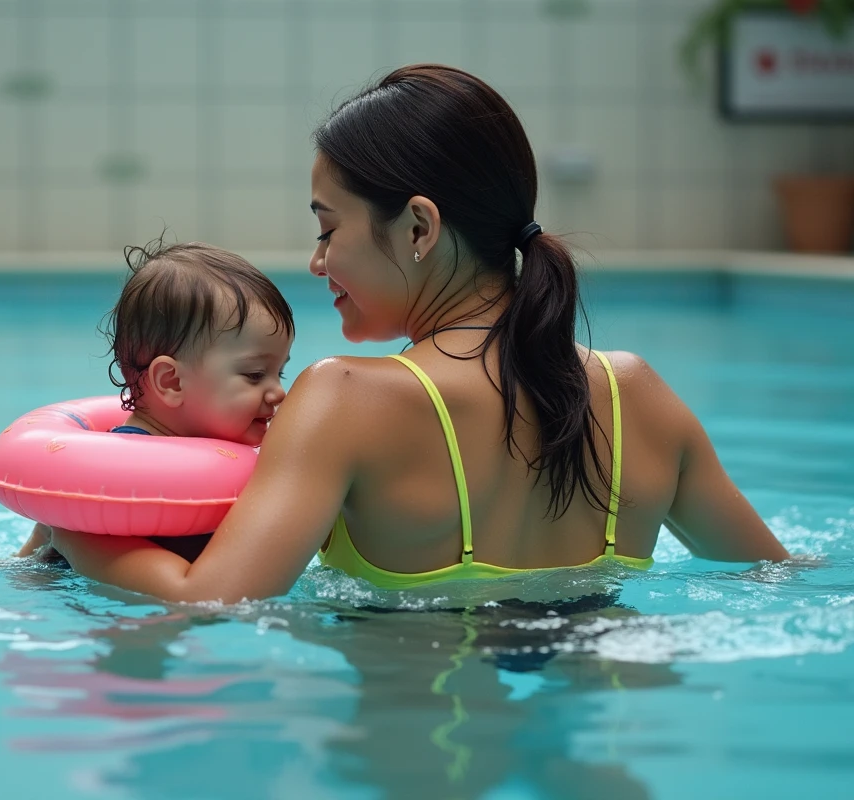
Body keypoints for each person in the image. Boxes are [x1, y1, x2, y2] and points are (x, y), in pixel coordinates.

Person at [48, 64, 790, 601]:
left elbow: (209, 603)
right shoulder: (639, 394)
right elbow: (776, 578)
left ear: (417, 227)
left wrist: (72, 521)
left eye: (328, 228)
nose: (316, 262)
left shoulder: (342, 400)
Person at [10, 239, 294, 563]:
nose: (278, 392)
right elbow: (54, 521)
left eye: (280, 373)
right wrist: (25, 564)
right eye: (255, 375)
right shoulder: (117, 469)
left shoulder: (237, 455)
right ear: (171, 382)